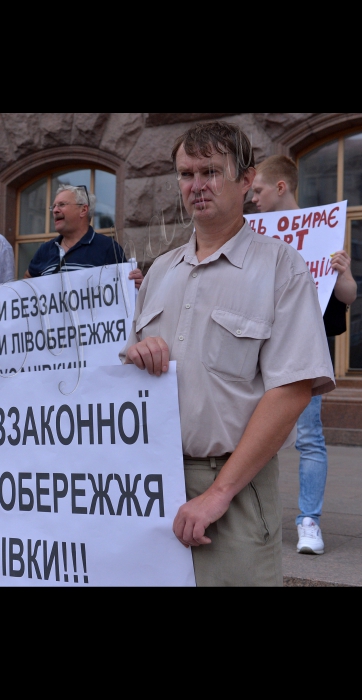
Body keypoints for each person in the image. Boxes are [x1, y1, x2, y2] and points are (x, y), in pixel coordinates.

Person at [120, 122, 335, 586]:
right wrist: (134, 354)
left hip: (232, 495)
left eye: (211, 171)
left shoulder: (281, 266)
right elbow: (122, 382)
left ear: (245, 180)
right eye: (186, 173)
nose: (196, 185)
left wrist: (218, 494)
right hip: (148, 488)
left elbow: (293, 389)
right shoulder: (159, 273)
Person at [252, 154, 357, 555]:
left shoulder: (322, 233)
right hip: (259, 349)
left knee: (309, 438)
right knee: (252, 434)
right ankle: (254, 516)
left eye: (258, 190)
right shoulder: (252, 235)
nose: (253, 199)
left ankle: (308, 521)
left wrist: (344, 273)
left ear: (282, 187)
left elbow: (345, 297)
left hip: (305, 352)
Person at [23, 185, 135, 283]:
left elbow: (124, 289)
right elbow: (28, 280)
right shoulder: (45, 250)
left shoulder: (108, 248)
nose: (55, 210)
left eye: (62, 205)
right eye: (54, 206)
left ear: (83, 210)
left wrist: (135, 283)